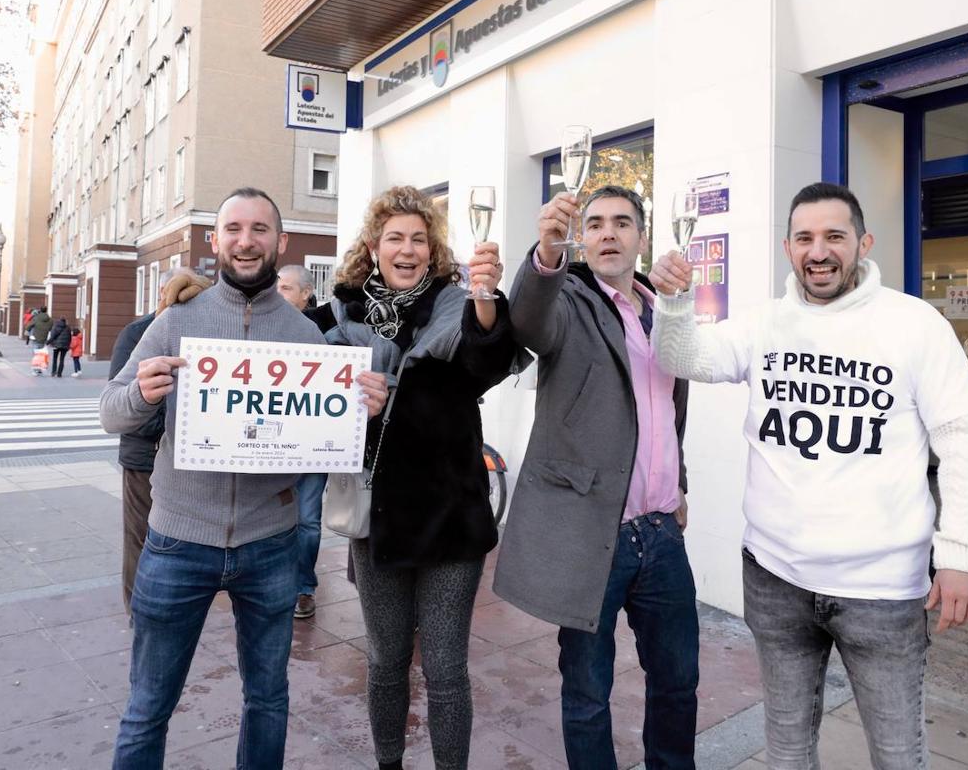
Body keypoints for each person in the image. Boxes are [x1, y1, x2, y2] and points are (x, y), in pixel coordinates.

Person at [648, 181, 968, 770]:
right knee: (786, 750)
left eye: (834, 236)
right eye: (805, 238)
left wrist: (961, 552)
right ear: (788, 248)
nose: (819, 251)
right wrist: (675, 303)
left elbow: (966, 438)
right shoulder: (766, 323)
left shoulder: (913, 324)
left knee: (897, 754)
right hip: (775, 579)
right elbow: (683, 359)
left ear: (863, 243)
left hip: (882, 593)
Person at [100, 187, 389, 770]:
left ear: (280, 243)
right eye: (234, 228)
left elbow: (326, 448)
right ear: (216, 241)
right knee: (148, 706)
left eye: (260, 229)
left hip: (271, 545)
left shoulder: (309, 339)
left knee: (269, 700)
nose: (246, 240)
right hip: (179, 541)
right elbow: (111, 412)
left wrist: (362, 411)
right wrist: (140, 392)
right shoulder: (176, 320)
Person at [495, 185, 699, 770]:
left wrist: (679, 483)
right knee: (587, 692)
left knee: (679, 682)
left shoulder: (663, 310)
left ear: (641, 236)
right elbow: (529, 322)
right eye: (597, 223)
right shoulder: (568, 300)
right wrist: (545, 256)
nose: (609, 233)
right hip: (592, 534)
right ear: (582, 235)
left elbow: (669, 411)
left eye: (623, 223)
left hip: (661, 534)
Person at [325, 185, 525, 770]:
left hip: (450, 515)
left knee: (444, 666)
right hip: (378, 516)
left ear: (433, 249)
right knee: (386, 659)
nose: (407, 249)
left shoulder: (457, 304)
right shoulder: (342, 311)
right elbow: (288, 360)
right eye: (395, 238)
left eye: (419, 238)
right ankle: (389, 763)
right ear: (374, 245)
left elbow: (487, 361)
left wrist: (486, 299)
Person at [107, 267, 210, 615]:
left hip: (189, 458)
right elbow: (118, 403)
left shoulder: (204, 333)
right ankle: (138, 612)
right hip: (144, 457)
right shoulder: (138, 333)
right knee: (141, 540)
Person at [275, 263, 330, 620]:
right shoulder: (259, 326)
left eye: (285, 289)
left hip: (311, 444)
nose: (277, 294)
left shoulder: (327, 332)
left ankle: (302, 588)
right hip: (271, 441)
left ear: (306, 293)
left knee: (307, 519)